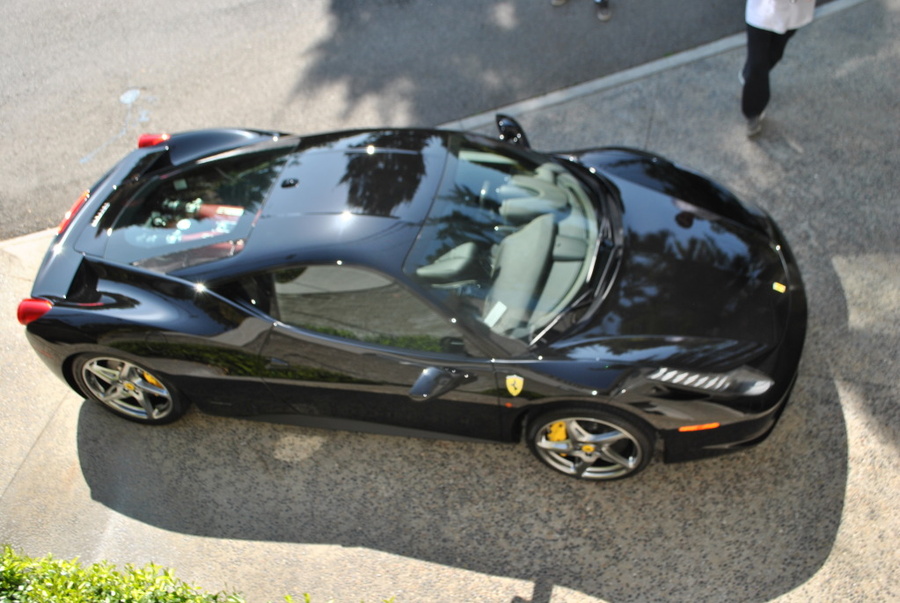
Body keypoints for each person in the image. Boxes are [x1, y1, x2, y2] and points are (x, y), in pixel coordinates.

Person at [742, 0, 816, 137]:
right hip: (761, 10)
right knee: (757, 63)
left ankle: (749, 73)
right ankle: (753, 112)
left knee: (775, 53)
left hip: (794, 11)